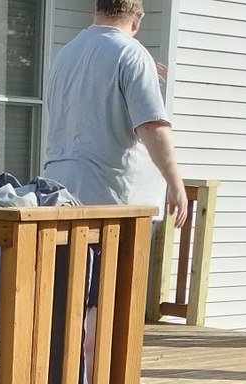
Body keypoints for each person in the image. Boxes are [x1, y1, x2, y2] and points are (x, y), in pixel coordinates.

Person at [41, 0, 186, 226]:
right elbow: (152, 128)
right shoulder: (132, 54)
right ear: (137, 19)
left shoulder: (65, 55)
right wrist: (176, 184)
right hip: (113, 206)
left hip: (60, 194)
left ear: (96, 11)